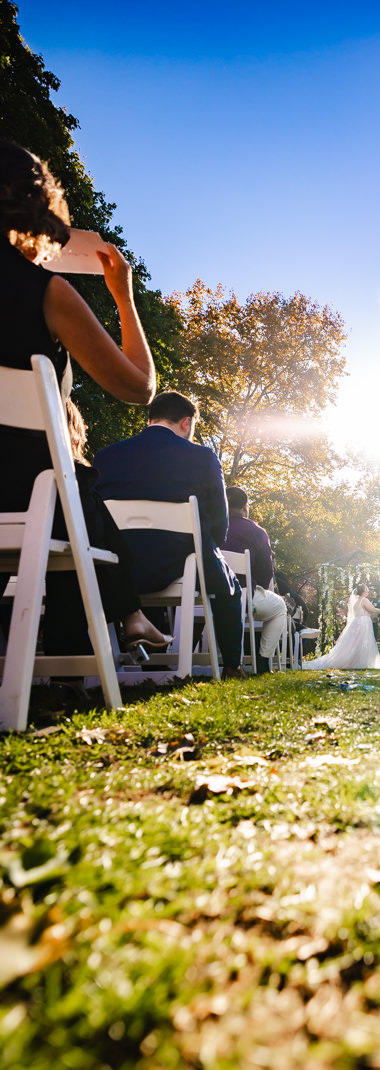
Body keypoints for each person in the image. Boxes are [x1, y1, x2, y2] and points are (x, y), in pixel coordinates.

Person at [0, 139, 170, 659]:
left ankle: (123, 622)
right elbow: (140, 389)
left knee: (80, 492)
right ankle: (123, 622)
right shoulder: (44, 291)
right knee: (74, 490)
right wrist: (124, 297)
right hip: (25, 495)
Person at [94, 391, 246, 679]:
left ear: (150, 418)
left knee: (141, 557)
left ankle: (152, 663)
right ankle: (232, 666)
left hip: (116, 568)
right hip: (181, 562)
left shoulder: (106, 456)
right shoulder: (203, 457)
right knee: (229, 590)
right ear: (186, 423)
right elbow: (219, 525)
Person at [222, 486, 286, 671]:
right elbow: (266, 573)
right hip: (241, 595)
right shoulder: (256, 531)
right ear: (245, 507)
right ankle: (264, 661)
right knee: (280, 608)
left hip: (201, 595)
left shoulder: (205, 526)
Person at [303, 583, 380, 670]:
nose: (368, 591)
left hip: (356, 623)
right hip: (363, 623)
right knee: (362, 642)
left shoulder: (355, 600)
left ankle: (355, 661)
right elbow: (372, 609)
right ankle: (360, 662)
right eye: (367, 589)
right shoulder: (364, 600)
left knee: (354, 643)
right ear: (363, 591)